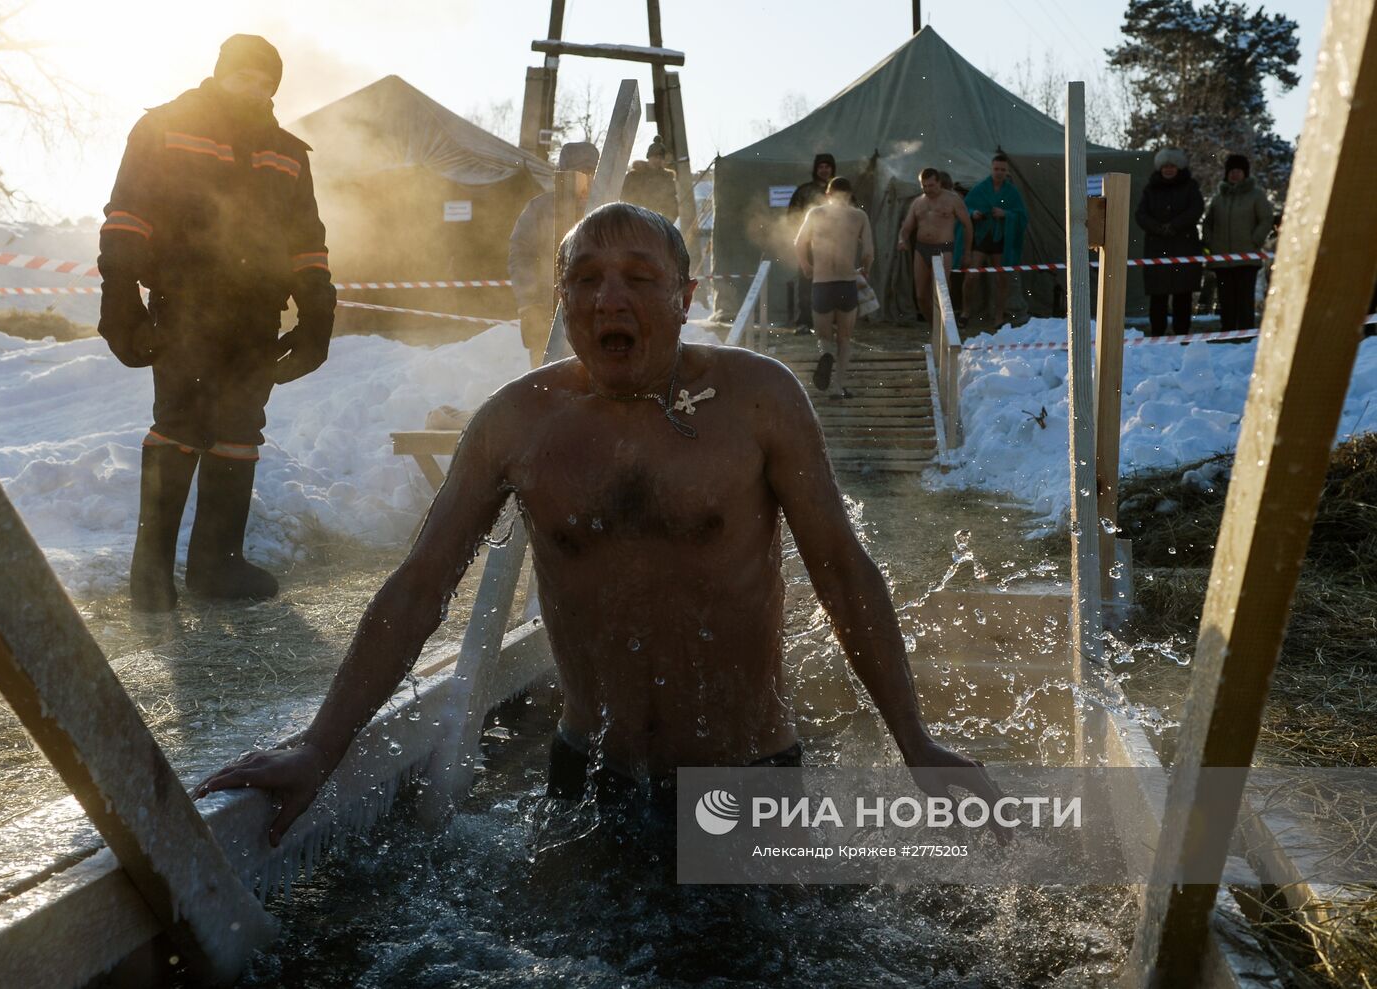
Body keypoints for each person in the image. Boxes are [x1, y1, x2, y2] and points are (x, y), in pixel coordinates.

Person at [197, 203, 999, 842]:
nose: (609, 297)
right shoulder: (517, 423)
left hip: (746, 775)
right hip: (590, 779)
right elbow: (419, 586)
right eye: (585, 278)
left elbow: (841, 570)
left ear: (685, 300)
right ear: (562, 301)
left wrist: (914, 742)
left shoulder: (758, 401)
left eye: (638, 278)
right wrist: (319, 745)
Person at [98, 35, 336, 613]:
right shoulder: (166, 126)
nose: (254, 88)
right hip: (185, 307)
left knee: (238, 428)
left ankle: (216, 566)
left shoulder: (287, 150)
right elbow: (128, 214)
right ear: (220, 73)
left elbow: (307, 240)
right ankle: (150, 573)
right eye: (244, 76)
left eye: (265, 82)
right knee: (179, 423)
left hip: (257, 315)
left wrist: (317, 315)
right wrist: (120, 296)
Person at [508, 141, 601, 367]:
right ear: (563, 175)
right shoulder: (540, 210)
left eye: (592, 173)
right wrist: (529, 304)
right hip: (546, 313)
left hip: (599, 316)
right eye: (580, 173)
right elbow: (521, 256)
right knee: (548, 386)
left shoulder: (609, 210)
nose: (586, 181)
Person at [794, 176, 873, 399]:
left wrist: (807, 267)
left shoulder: (815, 214)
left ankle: (826, 355)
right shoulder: (859, 216)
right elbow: (868, 251)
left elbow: (798, 243)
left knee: (824, 336)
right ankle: (838, 387)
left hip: (822, 283)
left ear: (828, 194)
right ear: (849, 196)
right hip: (846, 283)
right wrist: (865, 270)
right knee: (845, 338)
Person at [1134, 149, 1204, 337]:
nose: (1168, 170)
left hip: (1184, 246)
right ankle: (1158, 332)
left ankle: (1182, 332)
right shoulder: (1151, 189)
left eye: (1172, 166)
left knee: (1183, 295)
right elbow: (1141, 215)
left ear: (1178, 167)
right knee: (1158, 297)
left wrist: (1175, 225)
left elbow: (1196, 209)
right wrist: (1158, 228)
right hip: (1157, 249)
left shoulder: (1190, 187)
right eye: (1165, 166)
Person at [1201, 154, 1273, 335]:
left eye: (1238, 171)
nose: (1235, 175)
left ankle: (1246, 333)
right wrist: (1210, 243)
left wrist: (1255, 240)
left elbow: (1266, 219)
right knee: (1226, 299)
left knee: (1244, 298)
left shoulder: (1256, 195)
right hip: (1222, 259)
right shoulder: (1218, 199)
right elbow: (1208, 223)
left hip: (1247, 258)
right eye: (1232, 171)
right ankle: (1227, 332)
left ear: (1245, 173)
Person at [896, 167, 972, 323]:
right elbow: (906, 228)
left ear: (939, 183)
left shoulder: (952, 199)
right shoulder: (918, 202)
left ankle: (945, 324)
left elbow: (968, 225)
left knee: (940, 292)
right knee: (921, 296)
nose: (928, 189)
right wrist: (902, 240)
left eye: (931, 185)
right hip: (922, 249)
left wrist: (967, 251)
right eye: (924, 186)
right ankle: (935, 326)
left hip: (943, 248)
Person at [961, 154, 1028, 329]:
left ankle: (998, 317)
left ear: (1007, 171)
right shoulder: (981, 188)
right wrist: (973, 213)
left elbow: (1022, 215)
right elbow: (965, 207)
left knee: (1002, 278)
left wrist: (1006, 214)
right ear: (991, 169)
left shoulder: (1012, 192)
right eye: (996, 169)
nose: (999, 173)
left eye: (1002, 170)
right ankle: (965, 312)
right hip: (982, 237)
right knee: (971, 275)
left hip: (1001, 239)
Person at [787, 153, 836, 328]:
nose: (824, 170)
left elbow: (850, 213)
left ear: (832, 168)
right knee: (806, 283)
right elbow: (792, 215)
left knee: (834, 283)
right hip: (808, 244)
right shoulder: (804, 190)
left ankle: (832, 321)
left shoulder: (838, 191)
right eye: (821, 167)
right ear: (816, 169)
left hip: (834, 246)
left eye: (827, 166)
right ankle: (804, 322)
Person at [620, 138, 679, 222]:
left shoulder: (667, 181)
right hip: (633, 220)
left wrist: (666, 222)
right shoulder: (634, 176)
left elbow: (672, 206)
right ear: (649, 157)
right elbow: (623, 198)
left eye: (661, 158)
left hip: (657, 224)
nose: (658, 160)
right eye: (655, 157)